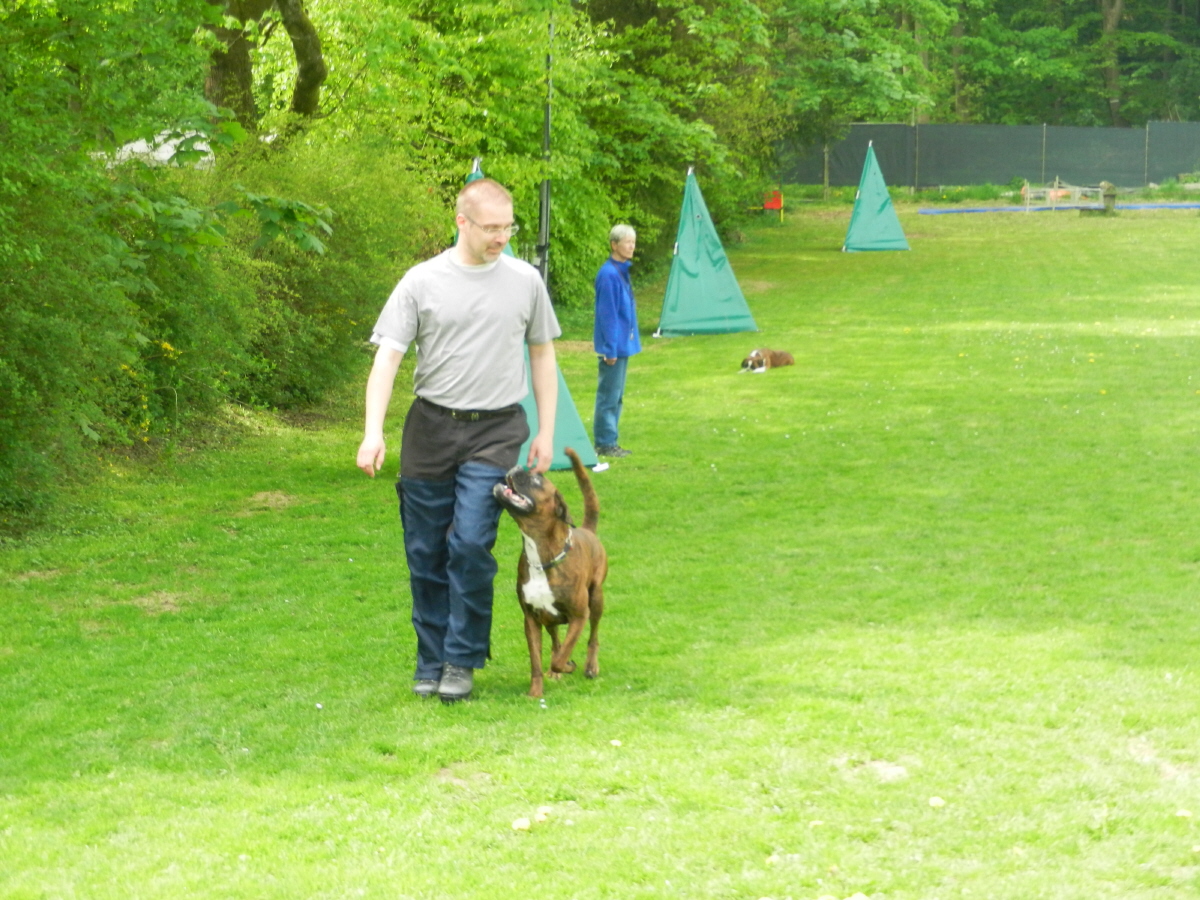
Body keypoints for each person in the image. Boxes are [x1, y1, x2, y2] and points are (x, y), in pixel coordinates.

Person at [356, 178, 560, 703]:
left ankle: (461, 659)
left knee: (469, 543)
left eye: (508, 227)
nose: (501, 237)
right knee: (425, 551)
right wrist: (373, 432)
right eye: (491, 228)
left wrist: (546, 430)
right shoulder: (421, 281)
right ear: (461, 222)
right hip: (430, 429)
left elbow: (542, 353)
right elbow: (388, 359)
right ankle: (431, 660)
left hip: (497, 429)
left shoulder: (525, 281)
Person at [592, 224, 641, 458]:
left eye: (633, 242)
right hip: (614, 346)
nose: (632, 247)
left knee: (616, 395)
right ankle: (604, 443)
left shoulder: (621, 271)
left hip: (623, 344)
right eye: (627, 242)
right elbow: (607, 315)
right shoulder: (609, 275)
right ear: (614, 245)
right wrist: (609, 349)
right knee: (608, 396)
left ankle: (610, 440)